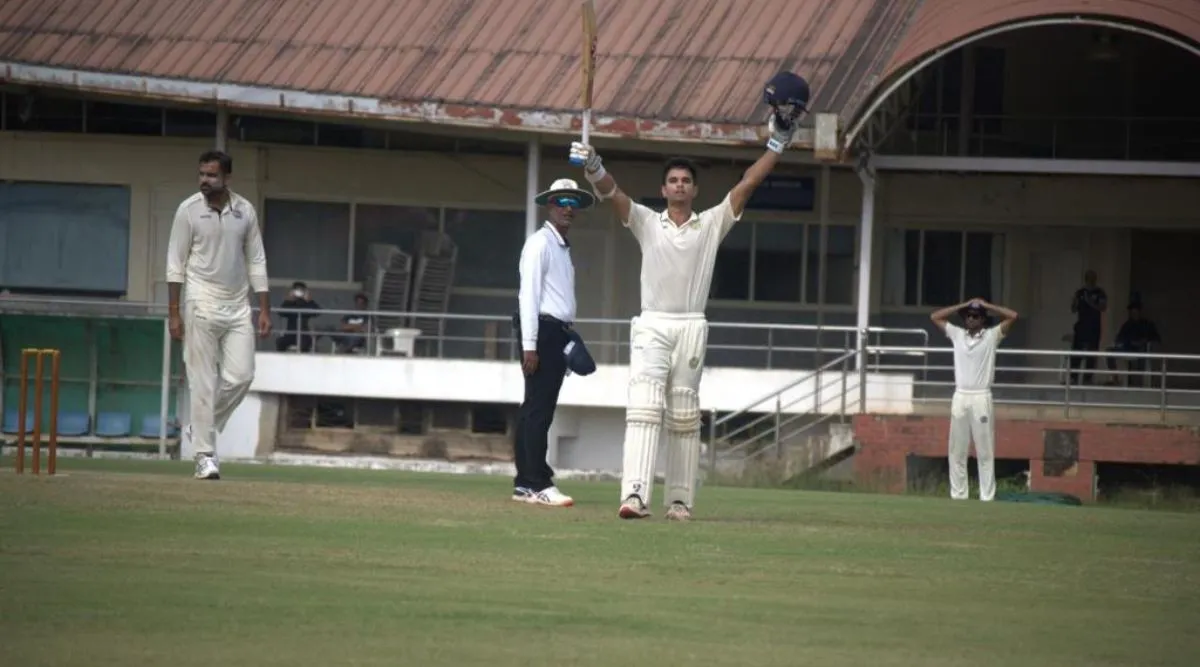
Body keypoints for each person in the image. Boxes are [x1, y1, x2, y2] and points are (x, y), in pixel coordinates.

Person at [568, 82, 805, 521]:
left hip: (691, 326)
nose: (679, 186)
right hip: (653, 324)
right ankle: (634, 496)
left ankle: (679, 501)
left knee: (683, 416)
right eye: (673, 181)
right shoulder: (646, 221)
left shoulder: (711, 224)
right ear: (664, 188)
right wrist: (593, 168)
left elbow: (748, 183)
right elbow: (613, 195)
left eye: (685, 181)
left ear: (694, 190)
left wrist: (777, 144)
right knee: (643, 408)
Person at [166, 149, 272, 481]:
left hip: (238, 304)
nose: (204, 181)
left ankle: (199, 428)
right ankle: (204, 455)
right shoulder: (188, 210)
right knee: (203, 382)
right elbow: (175, 264)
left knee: (242, 376)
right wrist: (174, 313)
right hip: (200, 301)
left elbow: (256, 260)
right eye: (201, 174)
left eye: (211, 175)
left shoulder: (245, 211)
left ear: (226, 177)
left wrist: (265, 307)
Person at [511, 178, 595, 507]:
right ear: (550, 205)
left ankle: (525, 482)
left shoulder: (560, 246)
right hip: (542, 331)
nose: (567, 208)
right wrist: (529, 345)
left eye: (572, 203)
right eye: (561, 202)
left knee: (537, 409)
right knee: (538, 410)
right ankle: (536, 482)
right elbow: (527, 296)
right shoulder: (540, 244)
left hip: (555, 332)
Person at [930, 298, 1018, 502]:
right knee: (956, 450)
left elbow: (1013, 316)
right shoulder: (957, 335)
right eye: (968, 316)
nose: (971, 319)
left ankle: (987, 496)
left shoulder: (991, 336)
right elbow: (935, 316)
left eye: (975, 316)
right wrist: (963, 305)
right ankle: (958, 495)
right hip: (960, 395)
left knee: (985, 451)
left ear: (983, 319)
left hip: (981, 396)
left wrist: (986, 306)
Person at [1105, 301, 1161, 387]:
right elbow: (1120, 337)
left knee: (1142, 353)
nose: (1133, 314)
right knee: (1109, 352)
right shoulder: (1127, 325)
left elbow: (1156, 338)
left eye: (1135, 312)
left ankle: (1139, 382)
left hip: (1141, 349)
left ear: (1139, 312)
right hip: (1127, 348)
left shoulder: (1147, 324)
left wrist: (1144, 341)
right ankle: (1115, 379)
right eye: (1131, 312)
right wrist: (1120, 342)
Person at [1069, 270, 1107, 385]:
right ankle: (1073, 377)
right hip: (1081, 326)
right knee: (1076, 353)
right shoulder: (1080, 292)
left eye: (1092, 277)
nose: (1090, 280)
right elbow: (1073, 309)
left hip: (1094, 327)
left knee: (1091, 353)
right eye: (1088, 277)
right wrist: (1075, 301)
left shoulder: (1100, 292)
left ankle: (1088, 378)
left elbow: (1103, 307)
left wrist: (1089, 301)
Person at [276, 281, 322, 352]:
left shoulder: (307, 304)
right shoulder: (290, 304)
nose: (299, 292)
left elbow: (318, 312)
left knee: (306, 344)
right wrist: (288, 300)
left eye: (301, 290)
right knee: (280, 342)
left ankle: (303, 361)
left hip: (304, 334)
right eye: (297, 290)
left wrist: (309, 300)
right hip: (290, 333)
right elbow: (281, 312)